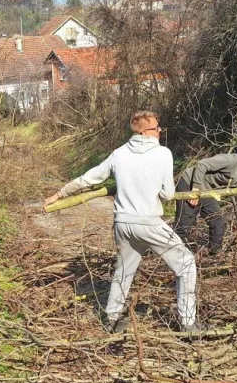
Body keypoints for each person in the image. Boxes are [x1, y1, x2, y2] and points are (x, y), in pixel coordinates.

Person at [42, 111, 200, 333]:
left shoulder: (119, 154)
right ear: (145, 132)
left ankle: (112, 319)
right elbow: (167, 194)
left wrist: (60, 194)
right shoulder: (163, 153)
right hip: (149, 223)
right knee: (186, 264)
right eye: (156, 128)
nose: (160, 131)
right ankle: (188, 323)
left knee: (124, 271)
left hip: (123, 224)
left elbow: (90, 177)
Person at [174, 154, 237, 255]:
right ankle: (171, 254)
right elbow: (202, 164)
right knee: (184, 226)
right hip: (190, 184)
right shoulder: (232, 162)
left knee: (219, 221)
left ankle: (214, 256)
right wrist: (195, 191)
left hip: (206, 191)